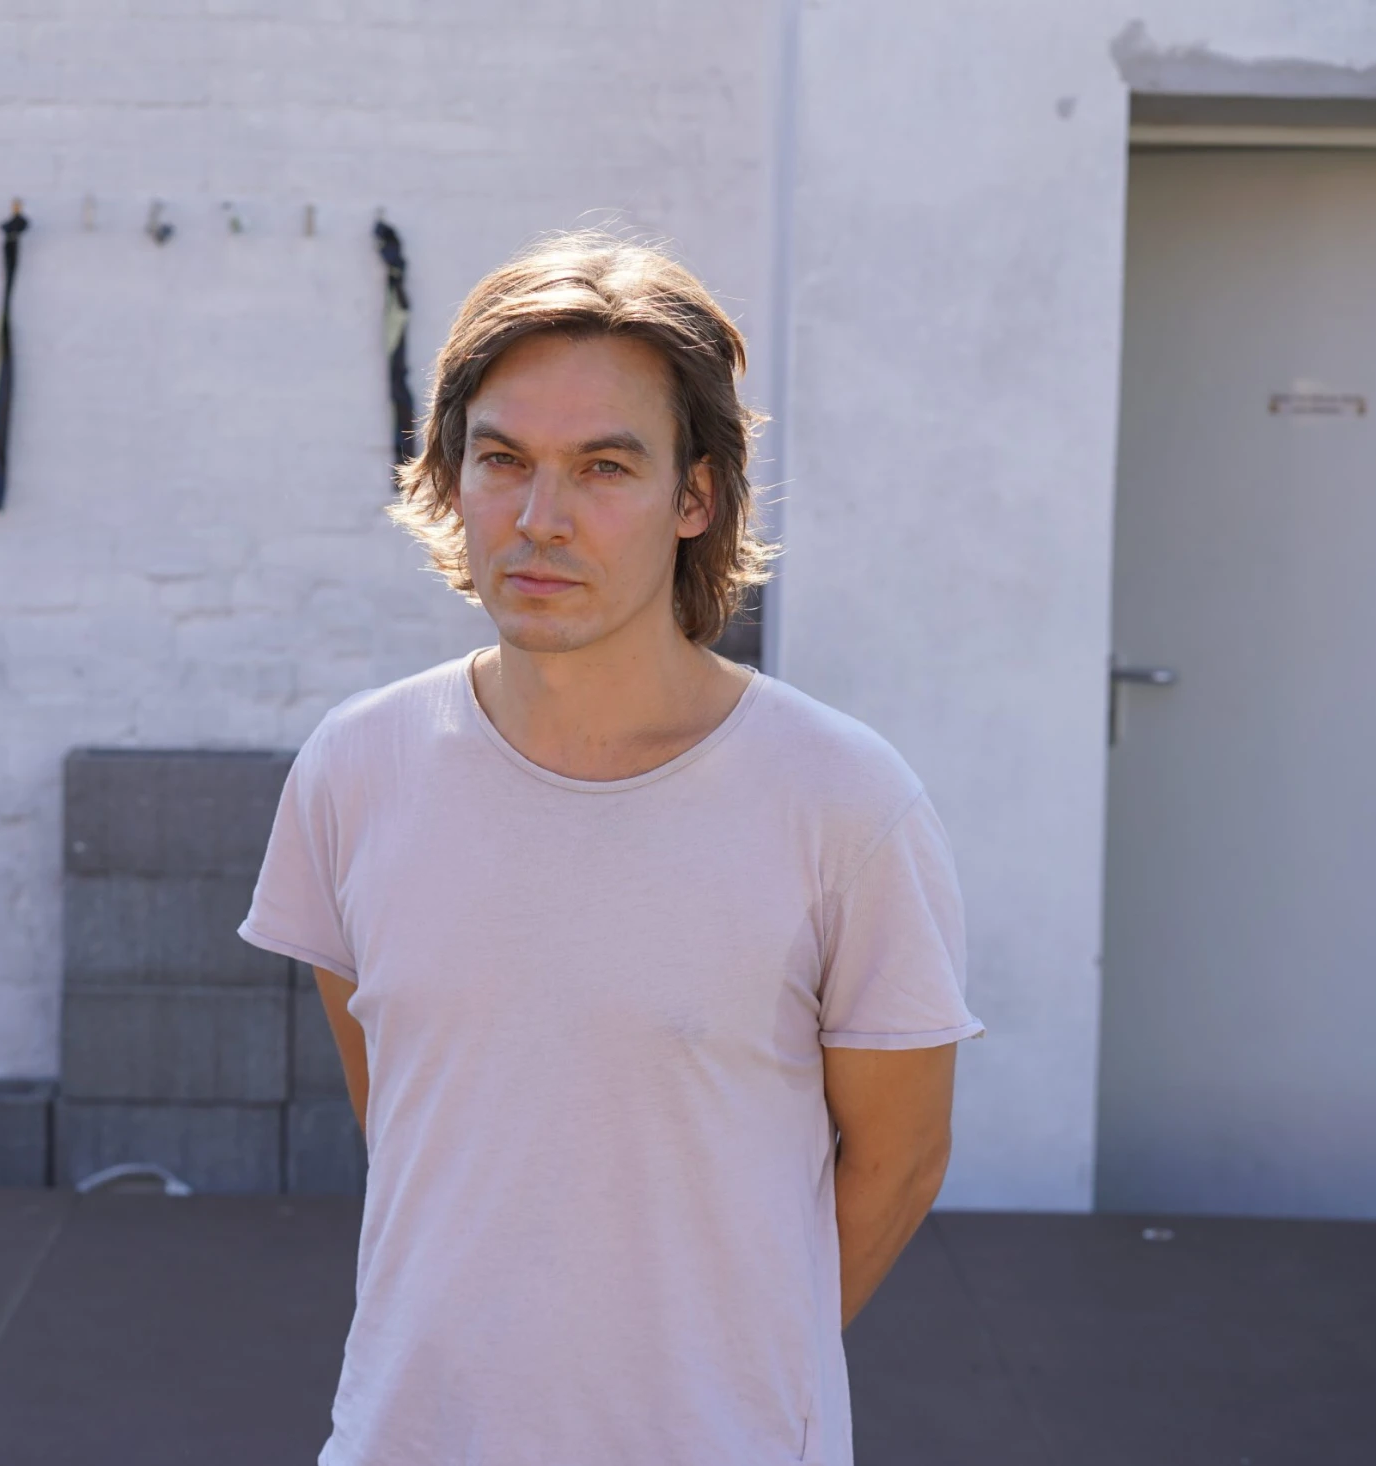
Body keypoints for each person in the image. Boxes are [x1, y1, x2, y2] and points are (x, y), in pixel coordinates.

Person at [238, 231, 982, 1466]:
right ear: (451, 477)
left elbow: (900, 1162)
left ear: (696, 496)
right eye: (502, 460)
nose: (540, 519)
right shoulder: (354, 769)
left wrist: (735, 1373)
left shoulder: (844, 801)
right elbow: (412, 1114)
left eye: (604, 466)